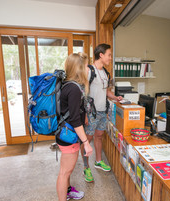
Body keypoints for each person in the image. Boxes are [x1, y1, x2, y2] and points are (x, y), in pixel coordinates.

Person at [80, 44, 123, 182]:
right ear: (101, 55)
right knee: (87, 140)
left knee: (99, 136)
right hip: (90, 113)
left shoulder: (106, 72)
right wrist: (85, 114)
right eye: (109, 55)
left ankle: (98, 161)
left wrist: (115, 97)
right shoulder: (88, 70)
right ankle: (86, 168)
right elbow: (81, 93)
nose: (110, 58)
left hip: (102, 111)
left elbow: (106, 91)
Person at [56, 53, 93, 201]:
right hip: (68, 135)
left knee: (67, 171)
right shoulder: (74, 89)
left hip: (65, 132)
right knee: (65, 172)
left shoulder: (67, 84)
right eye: (86, 66)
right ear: (80, 69)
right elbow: (75, 120)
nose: (89, 69)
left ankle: (68, 191)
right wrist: (86, 143)